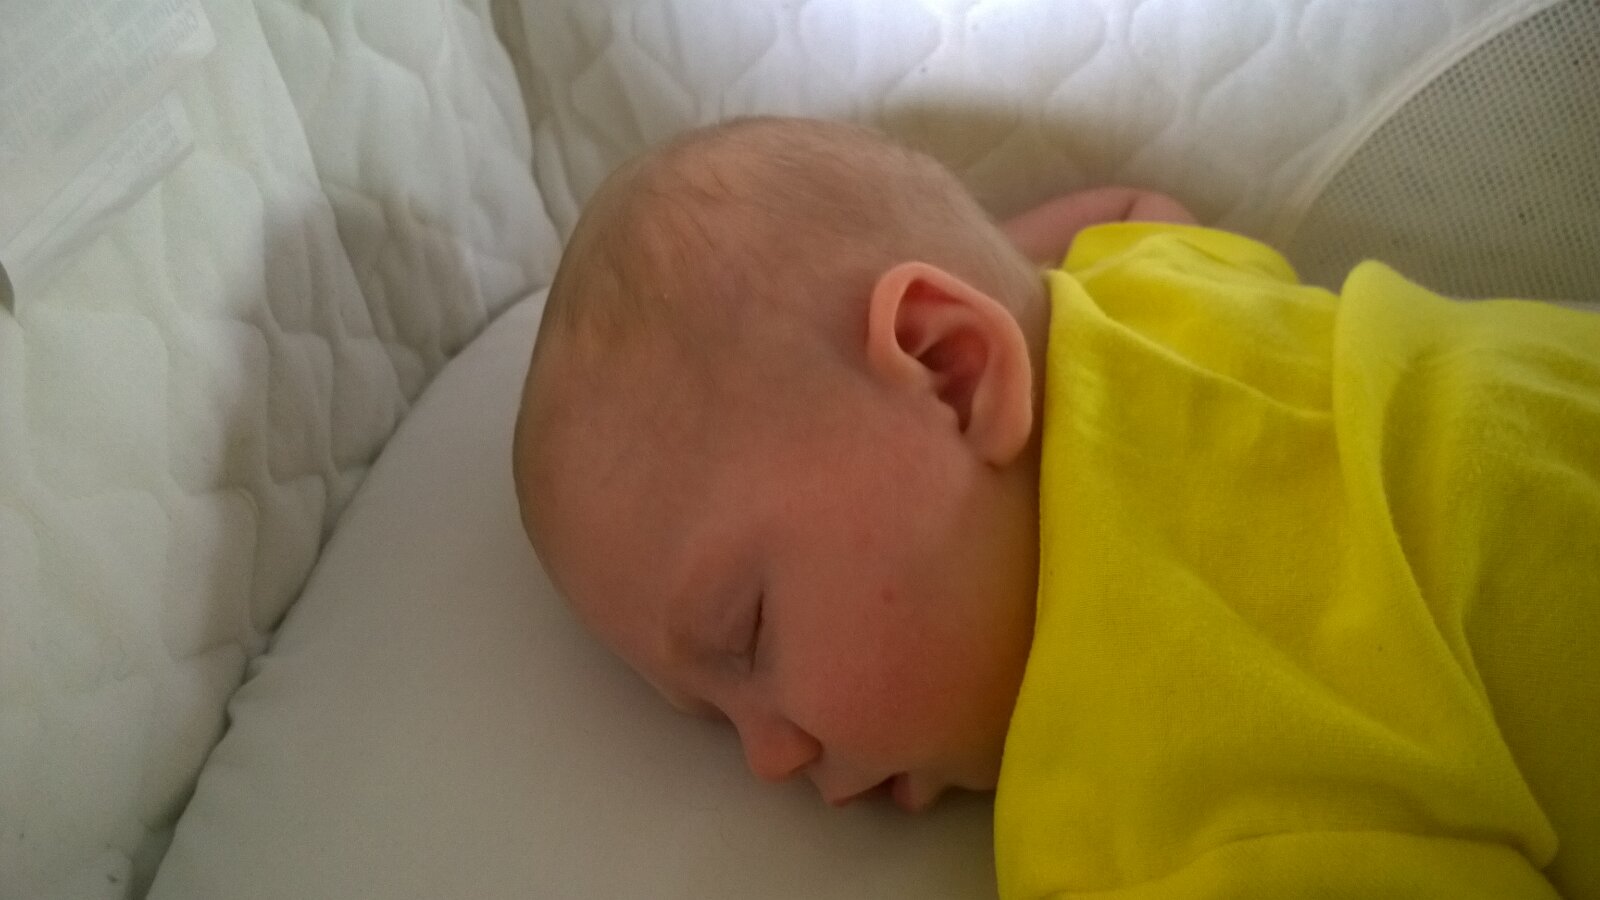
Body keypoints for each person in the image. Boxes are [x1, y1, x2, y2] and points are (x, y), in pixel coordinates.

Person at [511, 116, 1600, 899]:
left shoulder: (1141, 798)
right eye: (714, 720)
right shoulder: (1141, 293)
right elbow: (1132, 208)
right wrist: (992, 277)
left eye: (747, 636)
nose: (768, 761)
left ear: (953, 371)